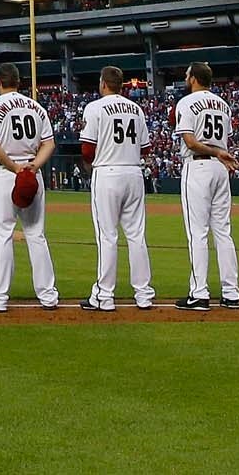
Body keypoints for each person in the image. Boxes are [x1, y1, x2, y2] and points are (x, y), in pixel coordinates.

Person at [0, 62, 58, 312]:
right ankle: (48, 296)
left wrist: (14, 167)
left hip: (6, 174)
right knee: (36, 235)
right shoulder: (37, 107)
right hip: (33, 175)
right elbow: (49, 144)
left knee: (3, 236)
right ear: (19, 83)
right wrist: (33, 167)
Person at [76, 66, 154, 312]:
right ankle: (143, 295)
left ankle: (104, 296)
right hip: (133, 172)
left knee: (107, 236)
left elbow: (87, 150)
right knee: (136, 235)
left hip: (107, 172)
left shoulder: (95, 107)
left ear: (103, 84)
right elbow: (145, 149)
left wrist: (94, 164)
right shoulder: (136, 109)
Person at [172, 61, 239, 310]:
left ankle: (199, 293)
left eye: (187, 74)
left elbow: (190, 141)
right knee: (223, 231)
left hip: (199, 166)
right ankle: (231, 293)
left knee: (197, 232)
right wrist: (218, 152)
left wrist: (213, 151)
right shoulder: (222, 104)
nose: (185, 77)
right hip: (220, 167)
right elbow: (224, 140)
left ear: (193, 79)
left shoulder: (187, 102)